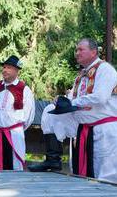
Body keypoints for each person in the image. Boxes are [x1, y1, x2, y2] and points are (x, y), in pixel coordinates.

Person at [28, 38, 117, 183]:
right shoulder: (81, 75)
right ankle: (53, 159)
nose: (77, 53)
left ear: (94, 52)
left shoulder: (105, 69)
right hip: (83, 127)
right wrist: (61, 101)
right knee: (50, 110)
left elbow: (100, 97)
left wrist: (71, 102)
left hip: (104, 131)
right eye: (76, 50)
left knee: (105, 179)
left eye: (81, 49)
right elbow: (73, 98)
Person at [0, 55, 35, 171]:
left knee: (13, 164)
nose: (4, 70)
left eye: (9, 68)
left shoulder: (24, 89)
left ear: (16, 70)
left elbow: (29, 115)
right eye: (4, 67)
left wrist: (16, 128)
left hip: (14, 134)